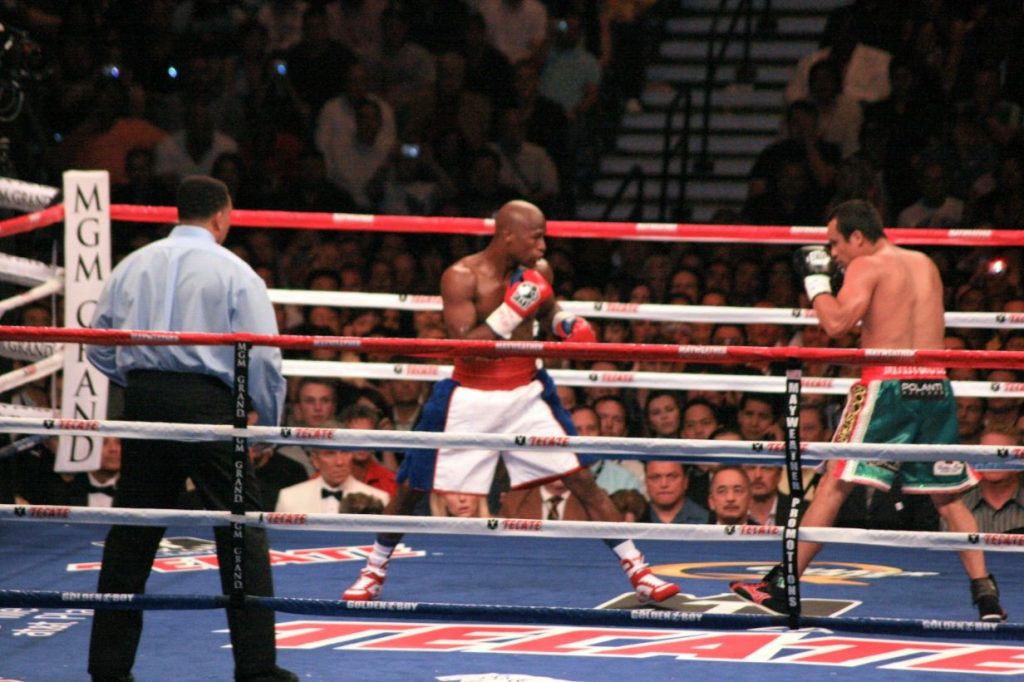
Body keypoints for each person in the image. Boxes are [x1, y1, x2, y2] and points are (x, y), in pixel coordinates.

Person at [341, 200, 680, 604]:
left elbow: (548, 310)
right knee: (414, 484)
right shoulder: (461, 277)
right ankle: (374, 569)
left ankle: (639, 570)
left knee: (580, 478)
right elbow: (465, 347)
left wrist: (567, 323)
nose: (543, 246)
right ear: (507, 235)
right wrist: (510, 310)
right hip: (469, 393)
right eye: (536, 237)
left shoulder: (539, 272)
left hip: (525, 389)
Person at [731, 199, 1007, 622]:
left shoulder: (867, 265)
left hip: (887, 388)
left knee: (833, 485)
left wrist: (817, 281)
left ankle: (782, 585)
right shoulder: (923, 264)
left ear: (858, 237)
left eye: (835, 243)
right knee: (948, 498)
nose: (834, 253)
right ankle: (986, 595)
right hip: (934, 385)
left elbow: (837, 324)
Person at [85, 176, 296, 680]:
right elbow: (262, 356)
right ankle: (257, 669)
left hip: (144, 402)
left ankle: (108, 669)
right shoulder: (235, 271)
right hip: (208, 406)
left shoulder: (132, 265)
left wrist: (141, 378)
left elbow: (96, 343)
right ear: (223, 216)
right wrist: (266, 423)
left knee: (132, 533)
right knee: (240, 531)